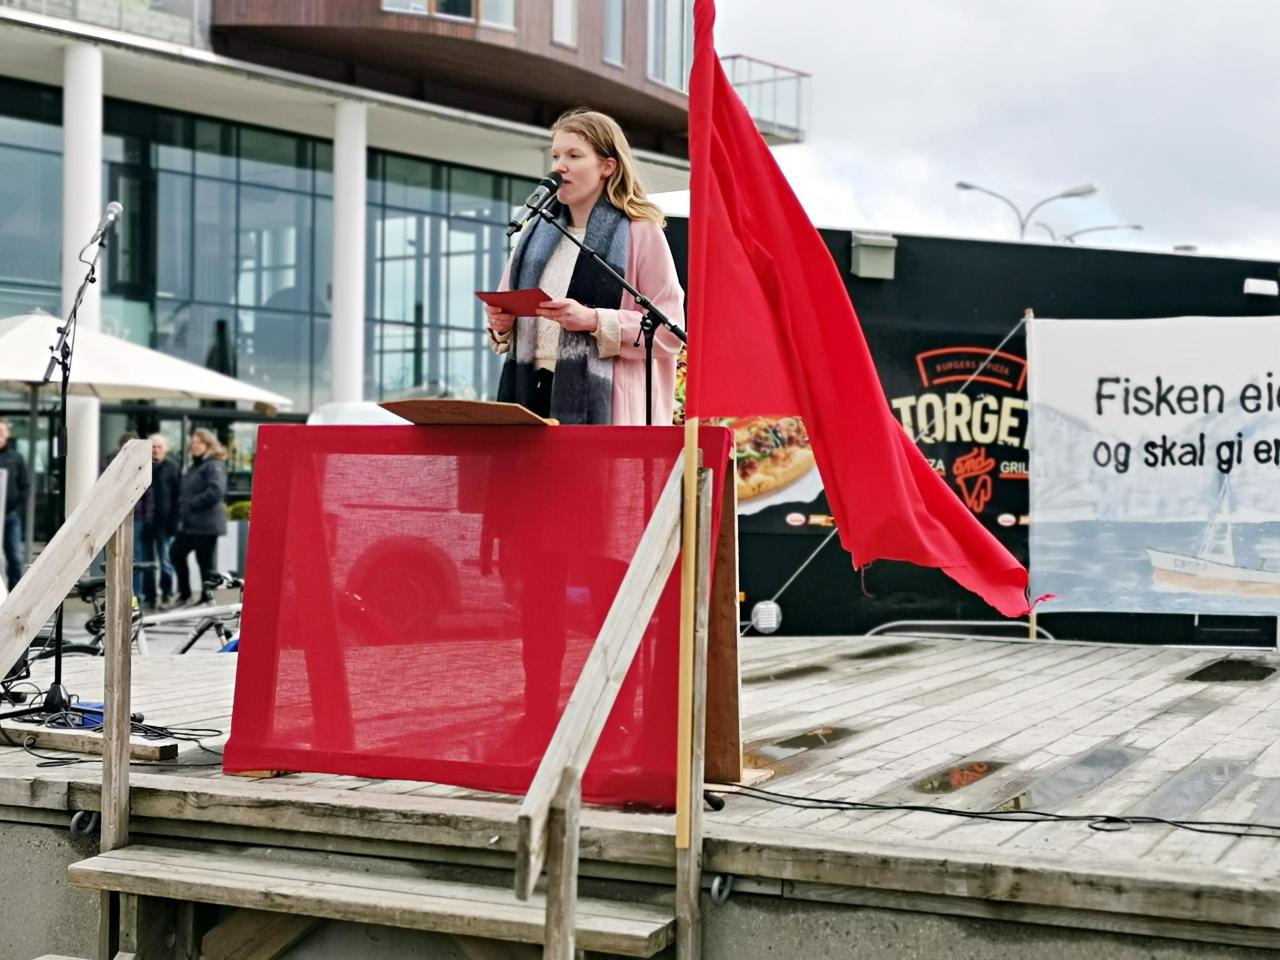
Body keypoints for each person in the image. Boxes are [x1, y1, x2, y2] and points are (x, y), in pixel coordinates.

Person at [486, 108, 685, 425]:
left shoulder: (641, 232)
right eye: (556, 155)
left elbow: (668, 332)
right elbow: (504, 312)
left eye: (574, 155)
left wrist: (593, 320)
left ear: (608, 166)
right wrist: (501, 323)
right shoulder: (534, 233)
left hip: (607, 408)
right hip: (529, 400)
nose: (559, 166)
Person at [171, 428, 227, 606]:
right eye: (193, 443)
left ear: (209, 445)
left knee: (204, 563)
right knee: (176, 554)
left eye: (200, 443)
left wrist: (192, 503)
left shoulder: (214, 464)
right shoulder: (195, 465)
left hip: (206, 523)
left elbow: (216, 490)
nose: (195, 446)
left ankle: (207, 599)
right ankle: (185, 594)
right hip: (190, 524)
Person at [140, 434, 181, 609]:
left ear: (166, 449)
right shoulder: (143, 466)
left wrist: (175, 522)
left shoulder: (173, 467)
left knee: (165, 561)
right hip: (147, 523)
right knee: (147, 562)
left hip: (166, 524)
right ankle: (150, 597)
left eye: (159, 447)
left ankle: (166, 595)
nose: (155, 450)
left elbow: (179, 497)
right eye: (152, 446)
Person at [0, 418, 29, 589]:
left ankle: (15, 596)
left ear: (7, 434)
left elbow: (25, 486)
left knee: (15, 559)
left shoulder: (16, 458)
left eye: (1, 431)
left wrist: (17, 509)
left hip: (11, 517)